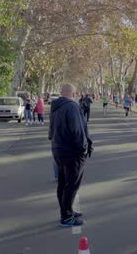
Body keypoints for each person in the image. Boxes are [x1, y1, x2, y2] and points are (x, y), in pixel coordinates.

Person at [49, 84, 93, 227]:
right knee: (72, 184)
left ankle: (66, 210)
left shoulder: (55, 106)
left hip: (58, 148)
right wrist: (84, 148)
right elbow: (77, 131)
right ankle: (66, 216)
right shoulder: (72, 107)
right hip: (72, 151)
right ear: (73, 94)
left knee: (63, 182)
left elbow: (51, 130)